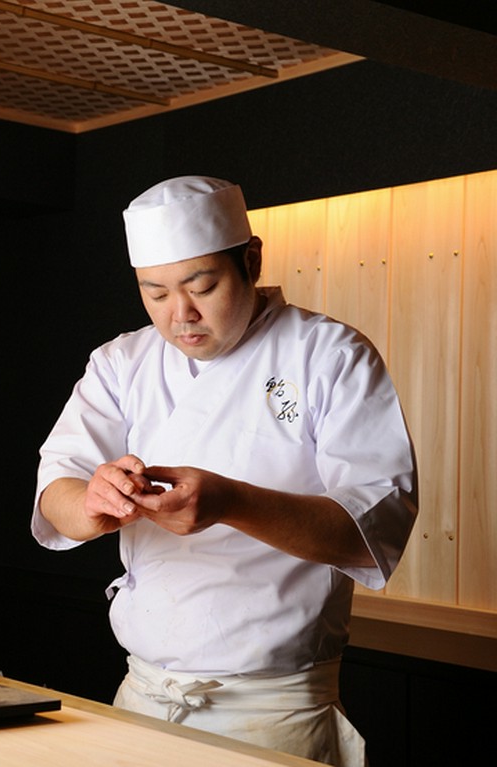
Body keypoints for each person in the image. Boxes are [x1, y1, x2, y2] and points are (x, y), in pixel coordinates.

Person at [31, 176, 417, 766]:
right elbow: (56, 491)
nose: (180, 315)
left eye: (202, 287)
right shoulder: (120, 363)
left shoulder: (330, 355)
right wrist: (94, 502)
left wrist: (232, 503)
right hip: (141, 697)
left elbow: (370, 531)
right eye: (156, 293)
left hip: (275, 712)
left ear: (252, 261)